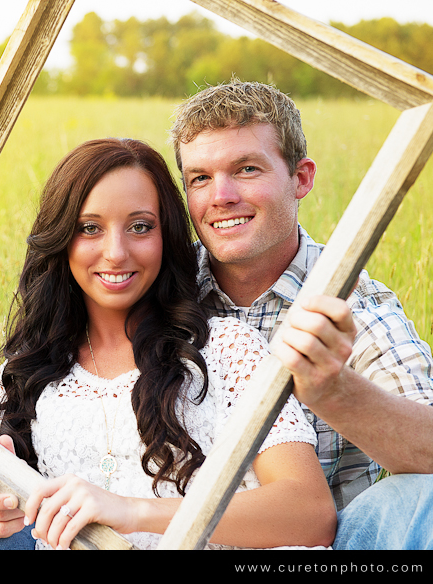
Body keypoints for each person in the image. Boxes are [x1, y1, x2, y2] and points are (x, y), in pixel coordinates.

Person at [0, 137, 336, 550]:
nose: (115, 252)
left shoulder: (227, 350)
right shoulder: (33, 364)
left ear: (166, 236)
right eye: (90, 228)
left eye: (139, 226)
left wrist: (128, 511)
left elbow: (310, 513)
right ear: (62, 241)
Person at [167, 79, 433, 550]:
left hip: (321, 545)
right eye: (200, 178)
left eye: (246, 169)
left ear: (301, 178)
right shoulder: (163, 287)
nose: (221, 196)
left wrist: (334, 391)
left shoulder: (351, 301)